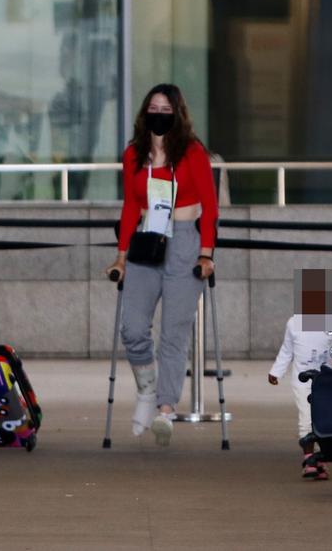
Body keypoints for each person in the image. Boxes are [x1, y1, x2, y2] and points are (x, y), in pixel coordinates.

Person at [105, 83, 218, 446]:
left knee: (173, 333)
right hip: (146, 239)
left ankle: (165, 408)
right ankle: (147, 392)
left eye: (166, 109)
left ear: (178, 114)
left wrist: (207, 253)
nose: (158, 114)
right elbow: (127, 207)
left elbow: (211, 206)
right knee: (134, 328)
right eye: (153, 107)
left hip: (185, 241)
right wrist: (121, 255)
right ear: (144, 112)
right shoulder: (133, 154)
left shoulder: (193, 153)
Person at [268, 268, 332, 480]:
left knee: (325, 421)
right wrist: (276, 371)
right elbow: (287, 350)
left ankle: (321, 458)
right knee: (306, 419)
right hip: (302, 381)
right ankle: (309, 458)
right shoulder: (294, 323)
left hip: (328, 381)